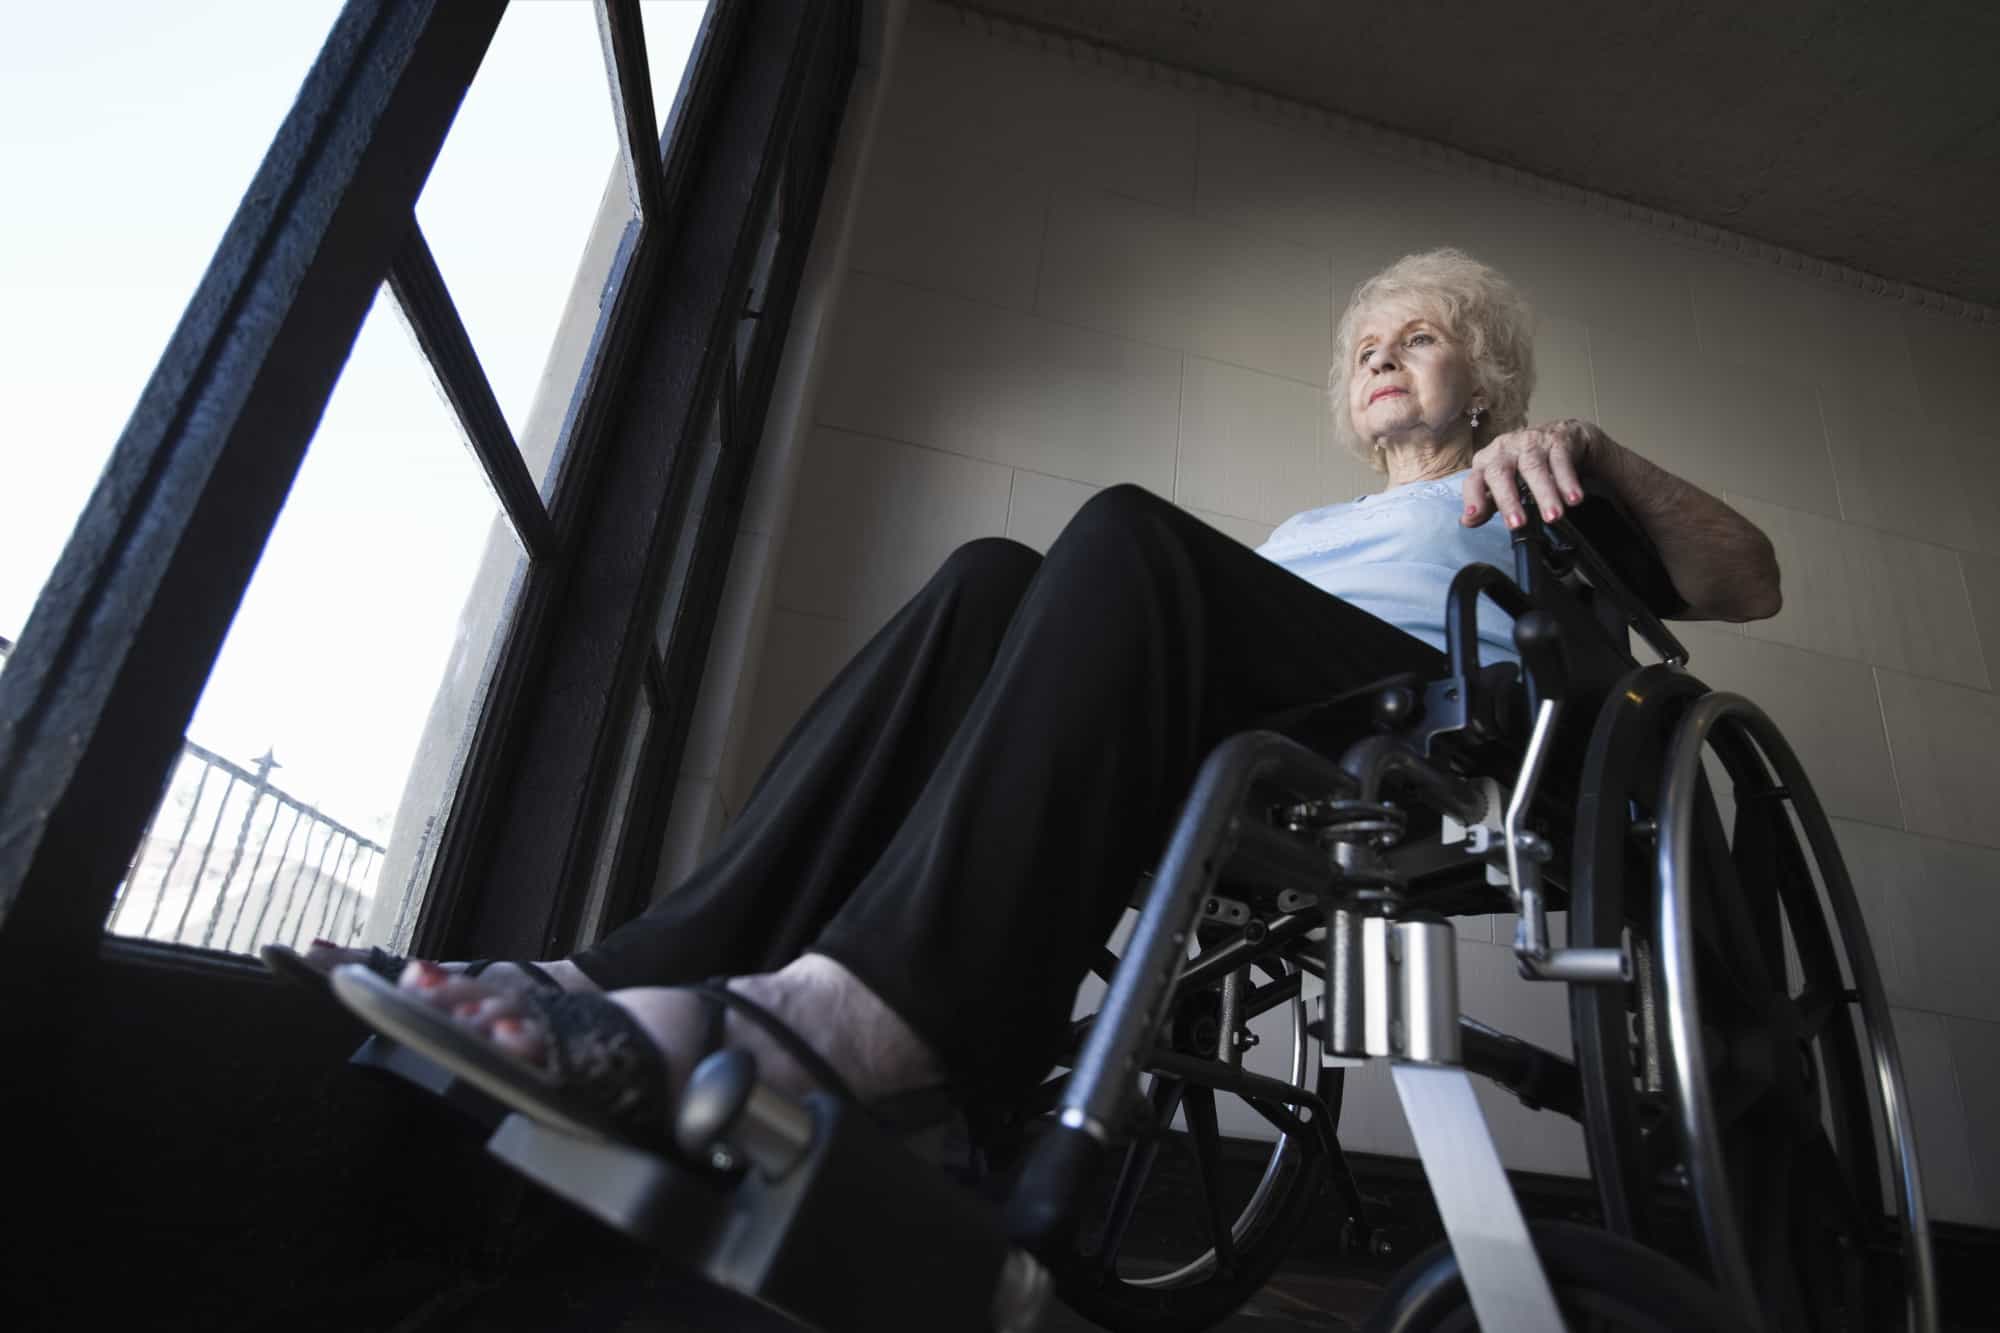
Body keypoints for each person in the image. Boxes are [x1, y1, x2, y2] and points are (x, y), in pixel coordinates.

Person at [292, 248, 1781, 1143]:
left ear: (1490, 378)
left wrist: (1597, 455)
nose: (1387, 357)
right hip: (1256, 715)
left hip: (1416, 730)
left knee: (1129, 538)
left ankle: (869, 1022)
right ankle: (630, 969)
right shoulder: (1301, 537)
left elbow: (1750, 578)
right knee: (996, 574)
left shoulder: (1539, 479)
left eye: (1423, 337)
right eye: (1368, 347)